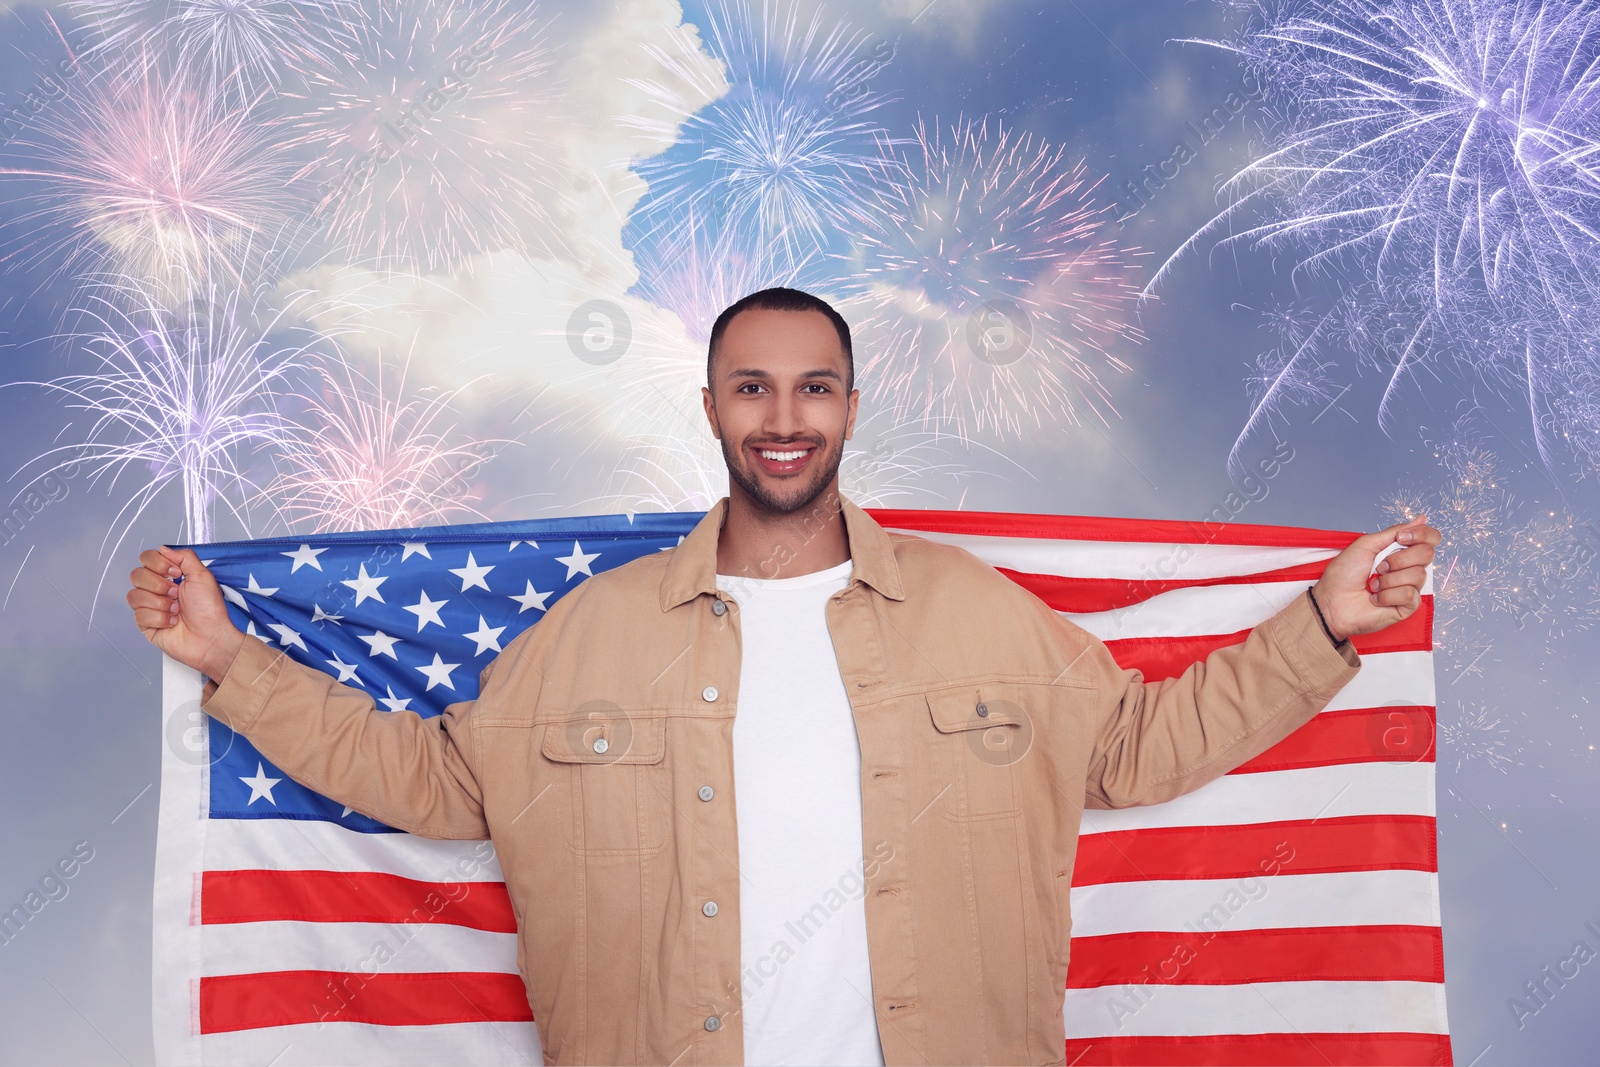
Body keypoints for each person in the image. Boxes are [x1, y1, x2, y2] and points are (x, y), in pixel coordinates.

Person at [127, 287, 1439, 1067]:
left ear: (853, 408)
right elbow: (428, 779)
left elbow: (1140, 747)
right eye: (753, 388)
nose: (785, 417)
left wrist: (1323, 621)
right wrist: (230, 662)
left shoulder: (976, 613)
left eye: (814, 388)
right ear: (710, 406)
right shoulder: (596, 632)